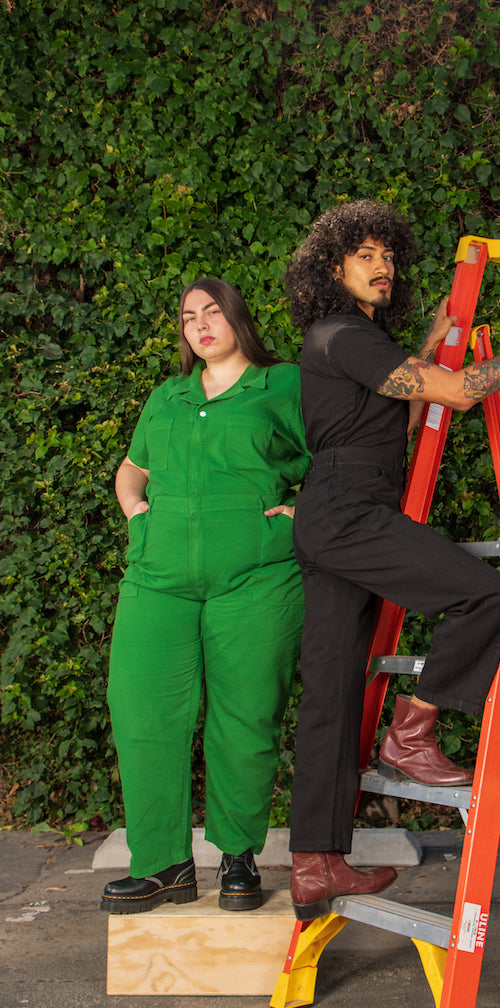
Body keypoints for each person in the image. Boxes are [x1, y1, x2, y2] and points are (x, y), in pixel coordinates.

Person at [283, 200, 500, 919]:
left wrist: (436, 334)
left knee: (330, 692)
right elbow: (458, 391)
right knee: (485, 596)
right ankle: (411, 732)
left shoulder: (356, 342)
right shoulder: (342, 333)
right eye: (365, 256)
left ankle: (314, 865)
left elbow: (405, 412)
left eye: (388, 255)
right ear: (332, 268)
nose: (382, 266)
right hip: (347, 509)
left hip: (339, 510)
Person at [101, 279, 310, 914]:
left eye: (212, 311)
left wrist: (301, 515)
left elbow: (341, 456)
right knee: (141, 710)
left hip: (257, 576)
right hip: (156, 577)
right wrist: (135, 508)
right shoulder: (169, 395)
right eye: (189, 317)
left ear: (238, 318)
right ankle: (163, 865)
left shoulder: (285, 385)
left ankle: (239, 858)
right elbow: (133, 467)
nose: (200, 325)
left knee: (245, 715)